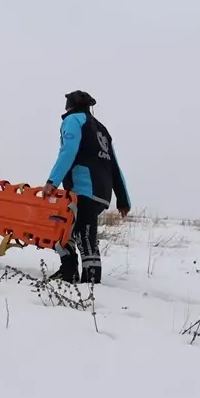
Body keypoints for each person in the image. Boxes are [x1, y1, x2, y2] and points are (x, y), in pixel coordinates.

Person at [44, 90, 131, 284]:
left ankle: (89, 283)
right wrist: (123, 199)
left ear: (71, 106)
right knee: (72, 231)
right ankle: (72, 273)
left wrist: (52, 181)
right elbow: (114, 165)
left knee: (76, 232)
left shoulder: (73, 120)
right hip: (102, 192)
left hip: (83, 188)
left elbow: (68, 151)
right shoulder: (102, 129)